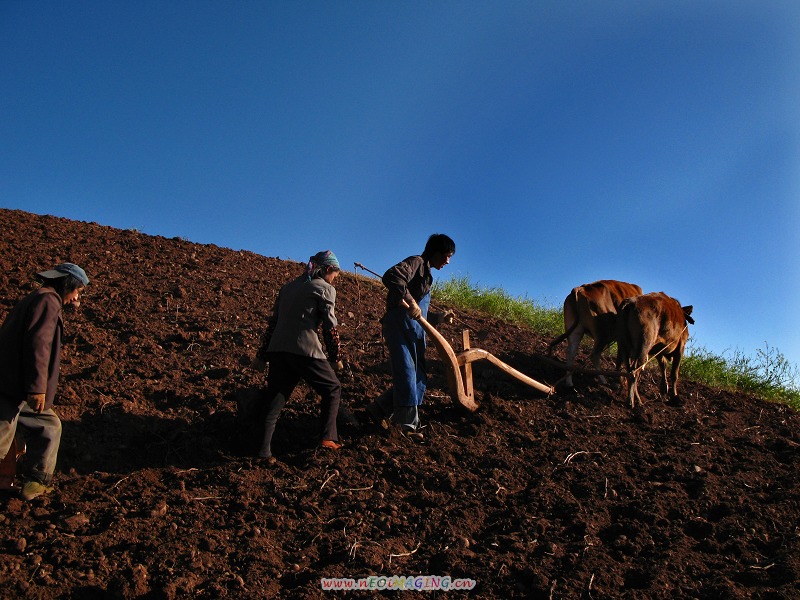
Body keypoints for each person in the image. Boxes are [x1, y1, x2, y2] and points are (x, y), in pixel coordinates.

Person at [0, 262, 89, 500]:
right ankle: (30, 481)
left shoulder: (36, 298)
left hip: (14, 386)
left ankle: (36, 483)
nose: (76, 298)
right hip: (12, 388)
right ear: (67, 284)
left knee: (49, 425)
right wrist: (37, 388)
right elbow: (38, 346)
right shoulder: (48, 301)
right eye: (77, 291)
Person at [250, 251, 345, 460]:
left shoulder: (288, 287)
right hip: (305, 350)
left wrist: (261, 355)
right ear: (328, 270)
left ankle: (263, 451)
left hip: (278, 350)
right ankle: (328, 438)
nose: (334, 281)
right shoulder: (325, 289)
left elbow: (273, 323)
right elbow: (330, 328)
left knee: (275, 401)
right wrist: (336, 357)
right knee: (332, 388)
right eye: (334, 277)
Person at [366, 234, 455, 440]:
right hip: (399, 325)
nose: (448, 261)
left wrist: (440, 317)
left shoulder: (427, 275)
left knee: (418, 376)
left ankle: (379, 409)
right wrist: (409, 300)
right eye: (446, 256)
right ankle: (406, 425)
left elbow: (420, 313)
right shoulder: (416, 262)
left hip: (414, 330)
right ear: (435, 252)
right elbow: (391, 276)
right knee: (407, 372)